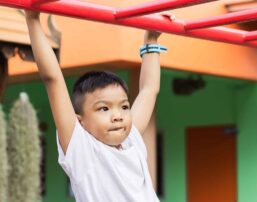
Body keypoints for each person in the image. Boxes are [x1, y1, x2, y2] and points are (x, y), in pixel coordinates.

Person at [25, 10, 172, 202]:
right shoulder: (83, 150)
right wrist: (32, 19)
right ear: (81, 121)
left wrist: (151, 38)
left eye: (124, 107)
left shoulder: (132, 140)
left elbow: (148, 89)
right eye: (104, 108)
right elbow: (53, 79)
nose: (118, 116)